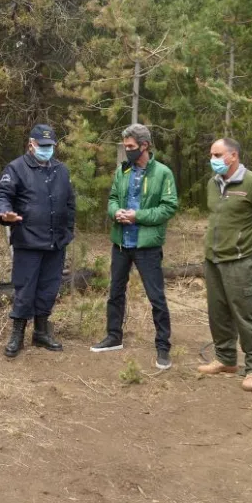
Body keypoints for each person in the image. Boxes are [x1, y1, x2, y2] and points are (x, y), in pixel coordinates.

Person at [90, 124, 179, 370]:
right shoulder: (122, 171)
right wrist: (115, 211)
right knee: (115, 292)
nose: (126, 150)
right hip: (121, 242)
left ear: (144, 146)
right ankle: (113, 336)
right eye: (125, 146)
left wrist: (137, 216)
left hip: (146, 245)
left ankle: (163, 346)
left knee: (156, 297)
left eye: (130, 147)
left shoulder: (163, 173)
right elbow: (112, 199)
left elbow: (169, 207)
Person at [198, 137, 252, 392]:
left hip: (240, 262)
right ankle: (225, 359)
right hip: (213, 259)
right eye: (212, 154)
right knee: (217, 312)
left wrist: (250, 247)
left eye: (218, 154)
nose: (214, 159)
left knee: (246, 315)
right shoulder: (213, 183)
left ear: (233, 156)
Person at [0, 124, 76, 358]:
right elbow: (2, 196)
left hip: (56, 242)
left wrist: (68, 230)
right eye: (43, 146)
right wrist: (4, 213)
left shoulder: (62, 170)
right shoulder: (16, 168)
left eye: (51, 146)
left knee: (48, 288)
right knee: (25, 289)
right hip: (28, 240)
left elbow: (70, 203)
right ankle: (17, 334)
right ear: (32, 144)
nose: (47, 150)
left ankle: (41, 332)